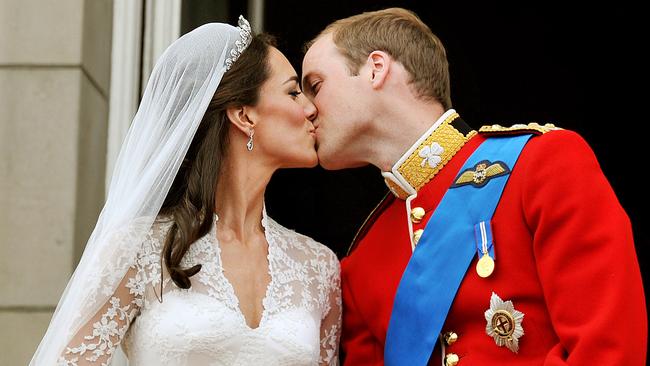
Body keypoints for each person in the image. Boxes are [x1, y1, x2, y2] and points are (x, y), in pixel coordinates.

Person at [302, 7, 646, 365]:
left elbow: (608, 350)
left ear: (376, 68)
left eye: (315, 85)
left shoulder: (541, 164)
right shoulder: (361, 263)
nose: (306, 110)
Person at [31, 17, 341, 366]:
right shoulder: (137, 249)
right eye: (293, 92)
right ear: (244, 115)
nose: (311, 108)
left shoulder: (320, 267)